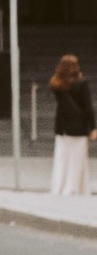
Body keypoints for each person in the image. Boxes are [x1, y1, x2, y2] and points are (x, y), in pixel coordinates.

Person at [53, 53, 92, 199]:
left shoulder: (56, 85)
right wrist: (93, 126)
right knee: (78, 159)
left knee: (62, 159)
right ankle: (75, 188)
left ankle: (60, 187)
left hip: (62, 127)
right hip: (79, 126)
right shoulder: (82, 83)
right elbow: (88, 107)